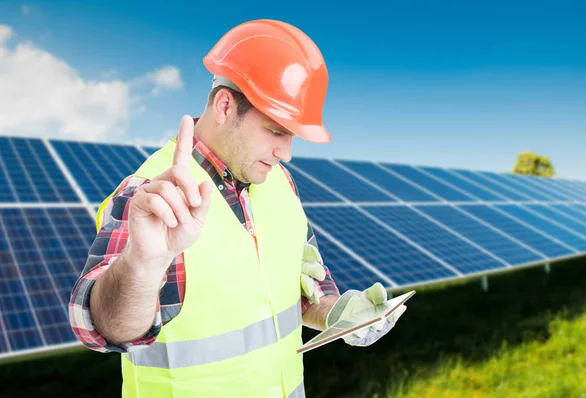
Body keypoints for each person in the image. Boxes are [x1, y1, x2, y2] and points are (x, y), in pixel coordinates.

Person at [69, 19, 407, 398]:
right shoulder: (153, 196)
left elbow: (299, 288)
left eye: (292, 136)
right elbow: (102, 329)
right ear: (226, 106)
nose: (287, 153)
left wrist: (338, 313)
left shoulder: (279, 183)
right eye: (276, 131)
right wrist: (141, 264)